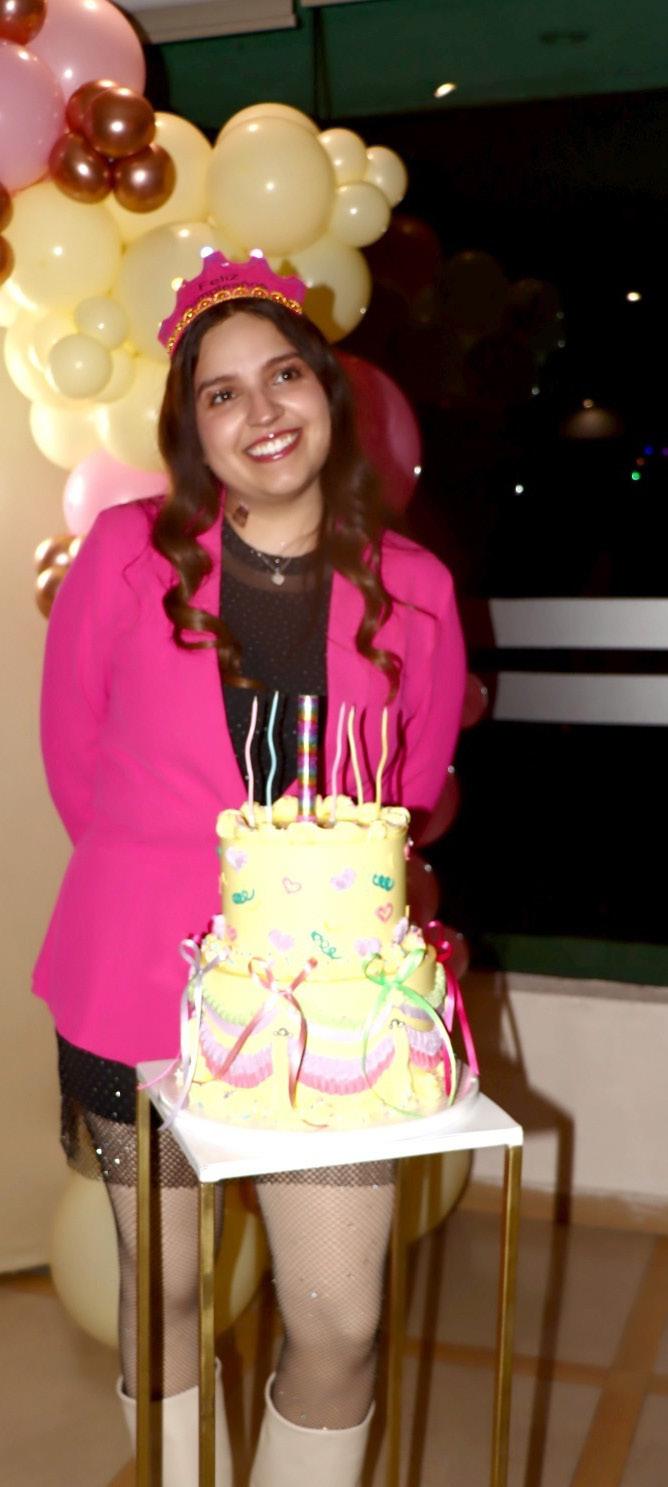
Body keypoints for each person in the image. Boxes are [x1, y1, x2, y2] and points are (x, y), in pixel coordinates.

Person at [35, 252, 466, 1487]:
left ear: (328, 392)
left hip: (332, 1011)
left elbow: (411, 788)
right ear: (190, 430)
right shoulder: (123, 556)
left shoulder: (416, 590)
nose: (260, 411)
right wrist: (168, 882)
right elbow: (75, 765)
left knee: (338, 1321)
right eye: (219, 393)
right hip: (134, 989)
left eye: (283, 376)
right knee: (164, 1289)